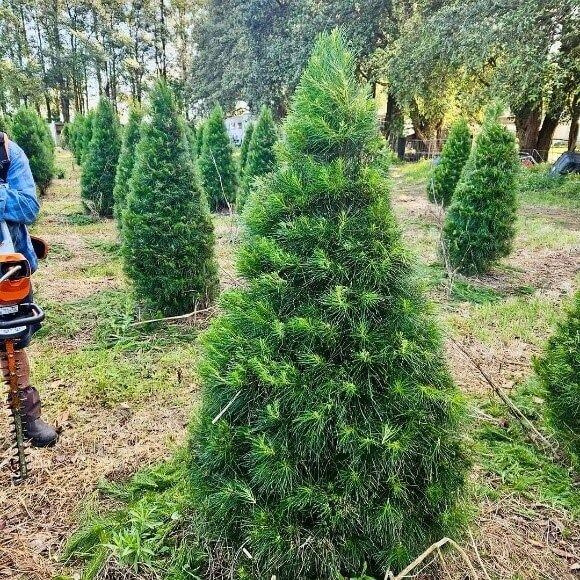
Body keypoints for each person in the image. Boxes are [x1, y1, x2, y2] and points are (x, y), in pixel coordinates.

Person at [0, 131, 57, 447]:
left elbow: (28, 207)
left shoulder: (9, 154)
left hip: (8, 267)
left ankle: (27, 416)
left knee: (12, 339)